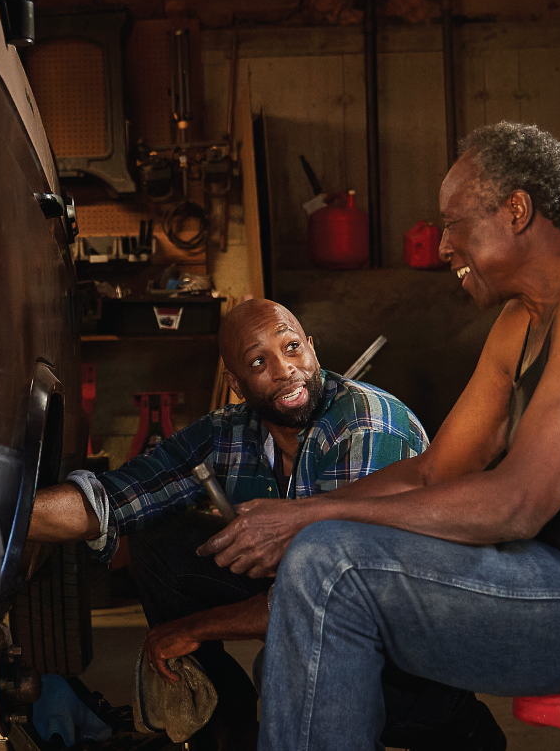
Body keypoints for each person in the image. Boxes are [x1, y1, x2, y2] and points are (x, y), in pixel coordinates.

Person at [199, 122, 560, 751]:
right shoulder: (521, 320)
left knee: (330, 563)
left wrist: (307, 522)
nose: (444, 245)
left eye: (455, 223)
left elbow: (516, 504)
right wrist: (299, 515)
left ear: (517, 210)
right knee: (324, 560)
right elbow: (435, 470)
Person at [28, 298, 439, 750]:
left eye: (292, 347)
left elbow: (338, 595)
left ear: (313, 350)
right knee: (163, 543)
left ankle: (449, 723)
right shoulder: (232, 430)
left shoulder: (363, 427)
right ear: (236, 383)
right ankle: (225, 735)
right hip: (311, 594)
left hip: (405, 626)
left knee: (292, 663)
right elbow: (118, 497)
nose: (285, 370)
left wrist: (190, 630)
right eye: (259, 361)